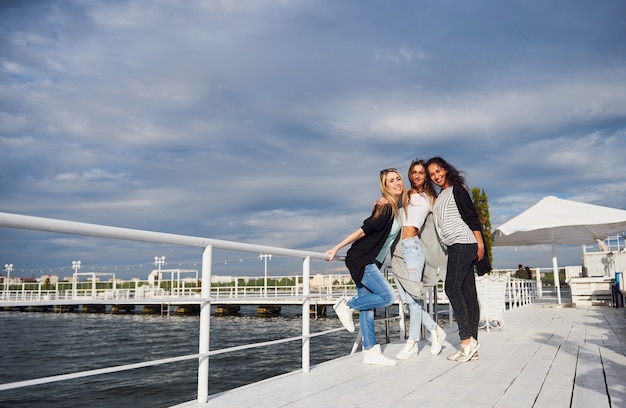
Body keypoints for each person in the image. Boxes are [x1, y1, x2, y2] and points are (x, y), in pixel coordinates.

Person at [326, 168, 406, 366]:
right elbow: (364, 230)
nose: (397, 183)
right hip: (362, 260)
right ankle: (345, 305)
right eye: (391, 181)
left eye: (398, 178)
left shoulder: (397, 206)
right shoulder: (385, 207)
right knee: (388, 296)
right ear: (385, 187)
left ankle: (370, 351)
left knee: (368, 308)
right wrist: (337, 247)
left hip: (373, 261)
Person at [426, 157, 486, 362]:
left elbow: (471, 216)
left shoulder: (457, 189)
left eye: (438, 171)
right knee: (468, 294)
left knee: (451, 288)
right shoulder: (441, 194)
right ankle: (472, 347)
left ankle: (466, 340)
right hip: (455, 246)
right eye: (432, 174)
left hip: (463, 242)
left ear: (445, 169)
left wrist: (480, 243)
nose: (436, 176)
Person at [393, 159, 447, 359]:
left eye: (421, 172)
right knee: (406, 298)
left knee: (413, 296)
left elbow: (444, 216)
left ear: (426, 176)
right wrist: (381, 201)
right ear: (409, 174)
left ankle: (413, 342)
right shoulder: (404, 195)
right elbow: (389, 204)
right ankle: (434, 329)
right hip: (398, 249)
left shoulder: (431, 198)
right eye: (414, 172)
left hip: (414, 248)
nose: (417, 175)